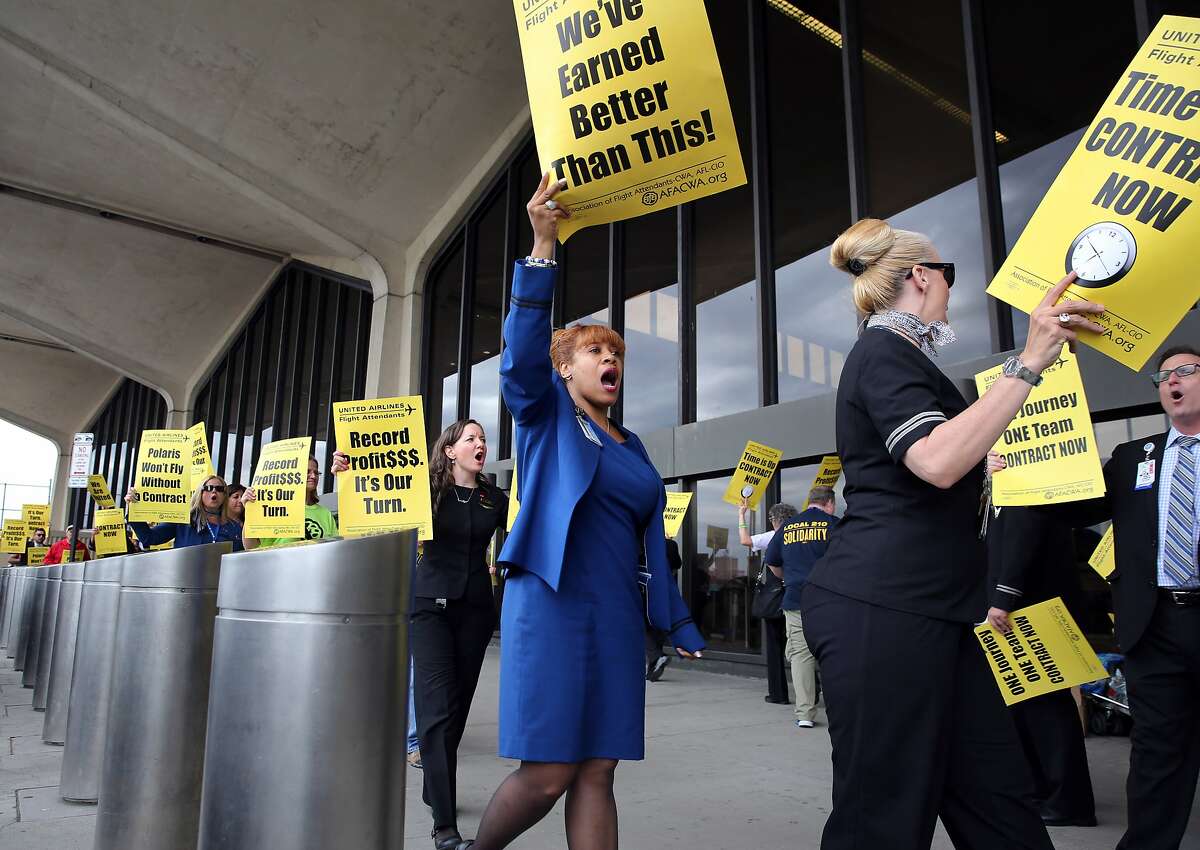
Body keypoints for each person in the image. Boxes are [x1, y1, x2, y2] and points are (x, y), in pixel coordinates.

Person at [800, 217, 1103, 850]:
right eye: (948, 273)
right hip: (883, 610)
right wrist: (1029, 362)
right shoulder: (883, 350)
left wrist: (979, 468)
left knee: (998, 800)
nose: (949, 288)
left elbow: (941, 464)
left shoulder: (904, 358)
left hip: (941, 612)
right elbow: (935, 462)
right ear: (920, 276)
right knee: (882, 815)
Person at [464, 175, 704, 850]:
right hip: (553, 601)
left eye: (617, 354)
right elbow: (518, 365)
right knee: (549, 772)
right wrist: (544, 245)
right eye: (597, 351)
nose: (611, 360)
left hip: (617, 615)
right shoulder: (548, 417)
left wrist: (675, 617)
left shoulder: (634, 446)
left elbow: (650, 541)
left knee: (599, 768)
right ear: (565, 369)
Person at [998, 343, 1200, 850]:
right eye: (1163, 376)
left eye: (1186, 371)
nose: (1171, 381)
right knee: (1156, 753)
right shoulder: (1136, 456)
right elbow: (1074, 505)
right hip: (1154, 626)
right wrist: (1018, 473)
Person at [334, 419, 505, 850]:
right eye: (471, 438)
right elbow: (378, 500)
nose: (480, 444)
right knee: (436, 711)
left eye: (483, 439)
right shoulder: (423, 488)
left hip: (476, 613)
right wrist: (351, 475)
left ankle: (435, 784)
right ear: (449, 450)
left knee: (457, 710)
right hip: (429, 609)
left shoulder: (492, 497)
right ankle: (444, 826)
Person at [982, 498, 1097, 827]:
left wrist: (1003, 597)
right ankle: (1044, 791)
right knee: (1028, 707)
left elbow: (1023, 538)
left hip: (1029, 610)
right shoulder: (1002, 492)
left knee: (1046, 709)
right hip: (1020, 610)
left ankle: (1067, 801)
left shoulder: (1025, 488)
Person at [764, 486, 837, 729]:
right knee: (833, 653)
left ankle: (805, 713)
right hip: (830, 600)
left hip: (796, 599)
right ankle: (838, 706)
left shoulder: (787, 527)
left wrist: (788, 578)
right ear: (830, 503)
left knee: (801, 656)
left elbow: (772, 562)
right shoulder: (835, 525)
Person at [740, 499, 797, 704]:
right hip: (798, 596)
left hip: (775, 597)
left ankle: (778, 693)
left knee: (774, 647)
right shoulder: (799, 534)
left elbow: (745, 541)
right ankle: (812, 690)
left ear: (775, 520)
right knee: (803, 647)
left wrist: (741, 515)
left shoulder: (774, 536)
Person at [126, 474, 244, 550]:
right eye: (208, 488)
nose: (214, 492)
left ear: (224, 495)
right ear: (200, 493)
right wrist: (134, 509)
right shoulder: (183, 521)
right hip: (187, 585)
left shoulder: (234, 528)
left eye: (219, 489)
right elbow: (150, 538)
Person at [241, 457, 336, 549]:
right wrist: (250, 511)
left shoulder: (325, 513)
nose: (313, 476)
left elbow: (334, 546)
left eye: (316, 472)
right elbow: (252, 547)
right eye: (307, 472)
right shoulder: (274, 508)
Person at [645, 535, 683, 682]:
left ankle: (656, 657)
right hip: (667, 591)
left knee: (644, 626)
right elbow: (678, 564)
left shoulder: (647, 542)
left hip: (650, 589)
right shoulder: (671, 544)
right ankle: (653, 670)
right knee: (658, 627)